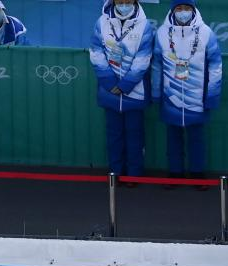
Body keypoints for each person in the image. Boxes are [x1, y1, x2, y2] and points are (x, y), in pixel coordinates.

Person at [151, 1, 221, 185]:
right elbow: (156, 65)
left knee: (196, 137)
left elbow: (215, 66)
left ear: (194, 9)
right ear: (172, 11)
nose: (183, 12)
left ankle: (197, 174)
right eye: (179, 9)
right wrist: (156, 93)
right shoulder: (161, 33)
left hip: (197, 96)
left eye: (187, 8)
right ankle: (175, 173)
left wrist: (212, 95)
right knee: (172, 136)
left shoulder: (206, 33)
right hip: (170, 95)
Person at [89, 1, 154, 182]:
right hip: (109, 91)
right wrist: (109, 82)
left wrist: (126, 84)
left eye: (128, 1)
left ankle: (134, 174)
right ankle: (115, 173)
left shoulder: (145, 25)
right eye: (120, 0)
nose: (124, 4)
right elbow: (96, 52)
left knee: (135, 135)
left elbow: (144, 58)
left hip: (134, 92)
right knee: (114, 135)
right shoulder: (101, 22)